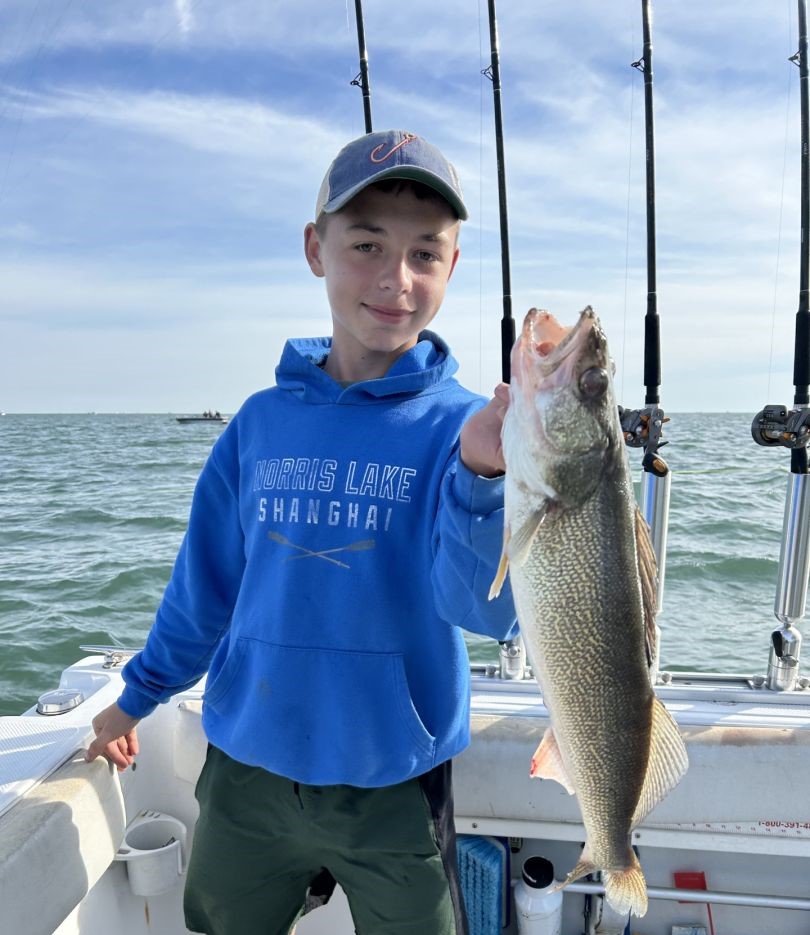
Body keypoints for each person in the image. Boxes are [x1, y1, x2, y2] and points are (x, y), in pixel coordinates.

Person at [86, 128, 517, 935]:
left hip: (396, 777)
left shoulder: (467, 429)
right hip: (245, 771)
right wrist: (135, 698)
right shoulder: (257, 423)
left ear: (452, 267)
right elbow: (202, 590)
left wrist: (485, 481)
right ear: (315, 249)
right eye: (365, 244)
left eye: (426, 253)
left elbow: (488, 613)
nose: (396, 279)